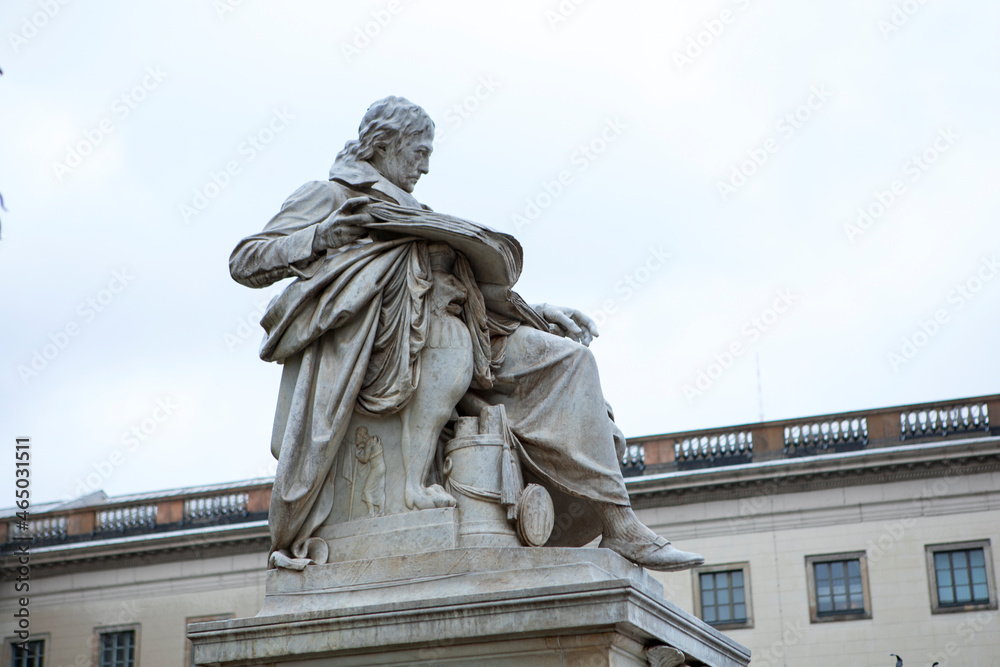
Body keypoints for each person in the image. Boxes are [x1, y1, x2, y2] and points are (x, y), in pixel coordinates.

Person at [230, 96, 704, 571]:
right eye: (419, 152)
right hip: (391, 348)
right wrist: (322, 235)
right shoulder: (331, 195)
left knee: (571, 359)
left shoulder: (415, 208)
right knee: (451, 348)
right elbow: (247, 260)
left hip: (469, 330)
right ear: (384, 144)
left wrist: (537, 313)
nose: (426, 166)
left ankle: (619, 525)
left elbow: (471, 289)